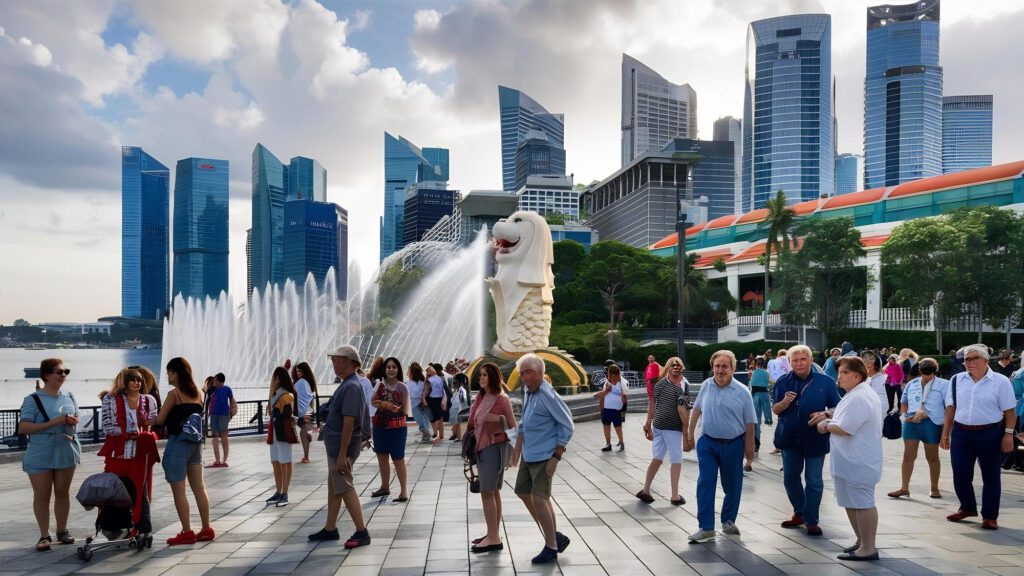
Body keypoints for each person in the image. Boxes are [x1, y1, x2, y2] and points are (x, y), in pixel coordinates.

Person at [941, 344, 1017, 530]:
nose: (969, 362)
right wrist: (945, 433)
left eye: (974, 358)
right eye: (966, 359)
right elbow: (950, 408)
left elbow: (1010, 412)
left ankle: (990, 516)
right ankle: (967, 508)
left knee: (991, 476)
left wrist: (1008, 435)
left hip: (990, 433)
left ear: (985, 360)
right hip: (961, 433)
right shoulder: (956, 380)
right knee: (960, 473)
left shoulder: (1000, 381)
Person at [815, 356, 882, 561]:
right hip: (849, 460)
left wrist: (826, 426)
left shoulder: (860, 396)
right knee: (851, 501)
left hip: (859, 461)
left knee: (862, 502)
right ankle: (862, 541)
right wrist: (830, 417)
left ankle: (868, 547)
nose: (840, 376)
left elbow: (846, 428)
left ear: (857, 376)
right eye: (839, 372)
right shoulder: (855, 394)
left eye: (844, 373)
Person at [685, 350, 756, 543]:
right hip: (707, 442)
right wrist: (689, 434)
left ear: (733, 368)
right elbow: (696, 410)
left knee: (732, 485)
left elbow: (750, 426)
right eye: (717, 366)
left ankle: (728, 521)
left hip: (733, 444)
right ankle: (706, 527)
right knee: (705, 481)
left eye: (725, 366)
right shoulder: (706, 385)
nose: (720, 370)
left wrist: (749, 454)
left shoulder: (743, 392)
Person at [510, 353, 574, 564]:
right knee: (522, 491)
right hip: (529, 454)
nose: (524, 377)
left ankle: (551, 547)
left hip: (544, 455)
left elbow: (567, 425)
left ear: (539, 372)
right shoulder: (529, 391)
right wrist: (517, 451)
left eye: (528, 372)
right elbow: (524, 422)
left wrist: (557, 456)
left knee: (539, 498)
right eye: (522, 373)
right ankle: (554, 535)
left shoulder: (548, 395)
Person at [772, 345, 842, 536]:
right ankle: (800, 512)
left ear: (811, 360)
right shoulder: (782, 381)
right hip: (789, 437)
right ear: (789, 362)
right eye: (794, 360)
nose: (799, 363)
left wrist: (825, 414)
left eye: (803, 359)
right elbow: (775, 409)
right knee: (790, 478)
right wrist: (784, 402)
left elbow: (838, 408)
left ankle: (811, 520)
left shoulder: (826, 382)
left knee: (814, 480)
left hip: (815, 438)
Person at [309, 345, 371, 548]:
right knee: (335, 486)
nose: (334, 364)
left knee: (344, 486)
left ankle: (362, 531)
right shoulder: (347, 384)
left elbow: (349, 422)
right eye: (333, 360)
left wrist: (343, 454)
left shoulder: (351, 386)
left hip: (341, 448)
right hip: (336, 447)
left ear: (351, 363)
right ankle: (330, 528)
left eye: (338, 360)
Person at [19, 358, 81, 551]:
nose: (63, 375)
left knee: (62, 493)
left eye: (65, 372)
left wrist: (72, 421)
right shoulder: (32, 399)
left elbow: (76, 418)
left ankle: (62, 531)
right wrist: (55, 422)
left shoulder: (69, 396)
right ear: (47, 375)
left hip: (65, 448)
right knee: (42, 495)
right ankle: (44, 535)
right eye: (59, 372)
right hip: (40, 451)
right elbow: (23, 428)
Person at [156, 357, 214, 546]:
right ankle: (206, 529)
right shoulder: (199, 393)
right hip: (196, 445)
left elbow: (160, 420)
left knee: (179, 490)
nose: (167, 376)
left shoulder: (174, 394)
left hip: (178, 444)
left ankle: (187, 531)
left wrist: (145, 421)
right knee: (199, 488)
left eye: (169, 372)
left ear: (176, 373)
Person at [98, 368, 159, 535]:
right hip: (117, 453)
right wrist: (128, 433)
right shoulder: (110, 399)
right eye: (133, 379)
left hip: (140, 454)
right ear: (124, 382)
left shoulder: (149, 400)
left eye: (139, 379)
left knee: (140, 490)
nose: (137, 382)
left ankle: (141, 529)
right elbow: (107, 427)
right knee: (115, 488)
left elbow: (151, 422)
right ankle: (113, 528)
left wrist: (147, 426)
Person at [467, 363, 517, 553]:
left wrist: (497, 419)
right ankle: (493, 533)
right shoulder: (481, 396)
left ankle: (494, 538)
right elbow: (473, 422)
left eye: (485, 375)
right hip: (481, 448)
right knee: (493, 491)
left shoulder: (501, 399)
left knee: (487, 492)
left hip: (494, 447)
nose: (481, 378)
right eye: (480, 375)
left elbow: (512, 426)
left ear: (493, 378)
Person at [887, 357, 948, 499]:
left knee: (932, 457)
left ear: (935, 370)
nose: (927, 373)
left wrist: (945, 430)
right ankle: (904, 488)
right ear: (919, 370)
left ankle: (934, 488)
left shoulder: (944, 384)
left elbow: (949, 406)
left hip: (931, 423)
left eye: (930, 370)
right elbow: (903, 402)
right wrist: (905, 416)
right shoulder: (912, 384)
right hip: (911, 422)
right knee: (908, 456)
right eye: (924, 369)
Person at [637, 356, 690, 506]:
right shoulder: (683, 385)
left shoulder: (660, 384)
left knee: (657, 457)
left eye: (677, 366)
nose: (676, 368)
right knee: (676, 459)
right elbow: (684, 410)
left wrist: (648, 423)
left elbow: (653, 404)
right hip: (672, 426)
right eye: (673, 366)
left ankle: (646, 490)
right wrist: (686, 432)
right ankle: (674, 495)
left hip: (658, 425)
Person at [370, 357, 410, 502]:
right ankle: (384, 487)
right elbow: (372, 402)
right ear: (385, 369)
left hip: (397, 428)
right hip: (380, 427)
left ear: (398, 369)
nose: (391, 370)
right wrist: (385, 405)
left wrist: (396, 408)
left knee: (398, 459)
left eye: (394, 367)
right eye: (388, 367)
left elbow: (405, 410)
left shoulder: (402, 387)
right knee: (382, 457)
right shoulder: (379, 385)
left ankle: (403, 492)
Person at [266, 367, 297, 507]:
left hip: (283, 432)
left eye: (275, 377)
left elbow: (287, 416)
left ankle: (285, 493)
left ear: (279, 379)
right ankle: (278, 491)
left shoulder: (286, 395)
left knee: (285, 461)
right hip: (274, 431)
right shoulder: (277, 394)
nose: (273, 380)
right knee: (275, 461)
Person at [205, 373, 235, 468]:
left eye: (215, 380)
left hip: (216, 414)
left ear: (218, 380)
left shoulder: (216, 389)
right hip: (221, 414)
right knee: (222, 436)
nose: (214, 381)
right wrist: (231, 412)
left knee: (218, 436)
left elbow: (232, 400)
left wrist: (231, 412)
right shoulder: (224, 389)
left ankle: (219, 460)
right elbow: (232, 400)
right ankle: (222, 460)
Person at [596, 364, 626, 452]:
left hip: (615, 409)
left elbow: (624, 398)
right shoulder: (607, 383)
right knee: (608, 426)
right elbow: (602, 395)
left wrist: (623, 413)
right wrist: (606, 391)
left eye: (615, 376)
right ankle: (609, 444)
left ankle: (620, 442)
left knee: (616, 427)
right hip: (608, 408)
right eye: (612, 376)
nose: (614, 378)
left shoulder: (621, 383)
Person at [293, 362, 317, 464]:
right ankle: (308, 435)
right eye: (297, 371)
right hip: (309, 412)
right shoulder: (307, 382)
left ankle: (306, 457)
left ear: (304, 371)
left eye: (300, 371)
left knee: (302, 433)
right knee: (303, 431)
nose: (298, 373)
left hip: (304, 413)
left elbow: (292, 392)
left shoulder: (301, 382)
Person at [748, 357, 772, 454]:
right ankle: (768, 420)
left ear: (756, 363)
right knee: (762, 416)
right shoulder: (766, 373)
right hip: (764, 394)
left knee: (756, 420)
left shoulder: (752, 372)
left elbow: (750, 385)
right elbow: (770, 382)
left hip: (754, 395)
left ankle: (756, 444)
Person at [407, 363, 432, 442]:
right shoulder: (422, 382)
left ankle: (426, 434)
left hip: (414, 403)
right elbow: (425, 391)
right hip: (421, 402)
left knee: (420, 419)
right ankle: (425, 434)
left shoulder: (409, 383)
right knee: (423, 418)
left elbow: (409, 394)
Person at [425, 364, 448, 444]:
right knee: (440, 418)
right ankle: (441, 435)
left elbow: (427, 390)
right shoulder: (440, 378)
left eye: (427, 372)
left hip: (433, 399)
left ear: (429, 372)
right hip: (440, 398)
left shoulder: (429, 380)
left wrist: (423, 398)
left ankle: (437, 435)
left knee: (435, 418)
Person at [861, 350, 887, 419]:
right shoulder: (862, 380)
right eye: (865, 359)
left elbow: (884, 401)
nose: (868, 361)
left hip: (879, 415)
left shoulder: (884, 379)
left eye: (871, 359)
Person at [448, 371, 469, 441]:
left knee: (459, 423)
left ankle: (459, 437)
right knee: (456, 423)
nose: (453, 384)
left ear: (461, 383)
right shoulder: (458, 389)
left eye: (455, 383)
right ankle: (456, 435)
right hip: (456, 410)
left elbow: (463, 401)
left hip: (459, 410)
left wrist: (461, 410)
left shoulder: (462, 390)